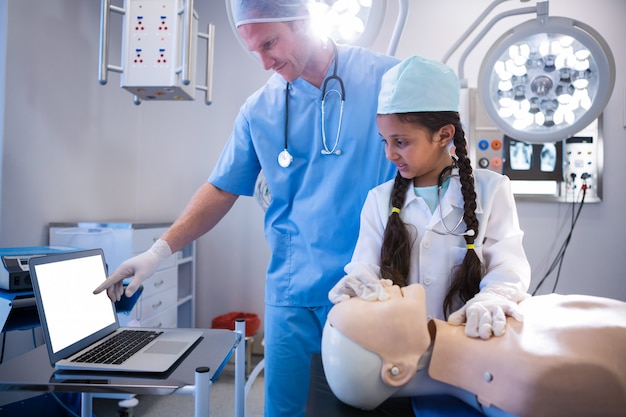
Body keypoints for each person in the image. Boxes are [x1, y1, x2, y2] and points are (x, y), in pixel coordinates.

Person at [93, 1, 399, 415]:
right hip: (295, 295)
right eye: (253, 50)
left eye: (270, 43)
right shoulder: (261, 109)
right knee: (286, 408)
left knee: (371, 405)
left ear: (305, 21)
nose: (264, 62)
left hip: (374, 287)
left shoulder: (387, 79)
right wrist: (158, 251)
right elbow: (221, 189)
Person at [326, 54, 532, 415]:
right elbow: (366, 267)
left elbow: (508, 266)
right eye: (384, 141)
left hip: (472, 358)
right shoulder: (378, 201)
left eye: (401, 142)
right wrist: (358, 285)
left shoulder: (492, 191)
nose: (390, 154)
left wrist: (492, 298)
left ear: (444, 135)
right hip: (400, 365)